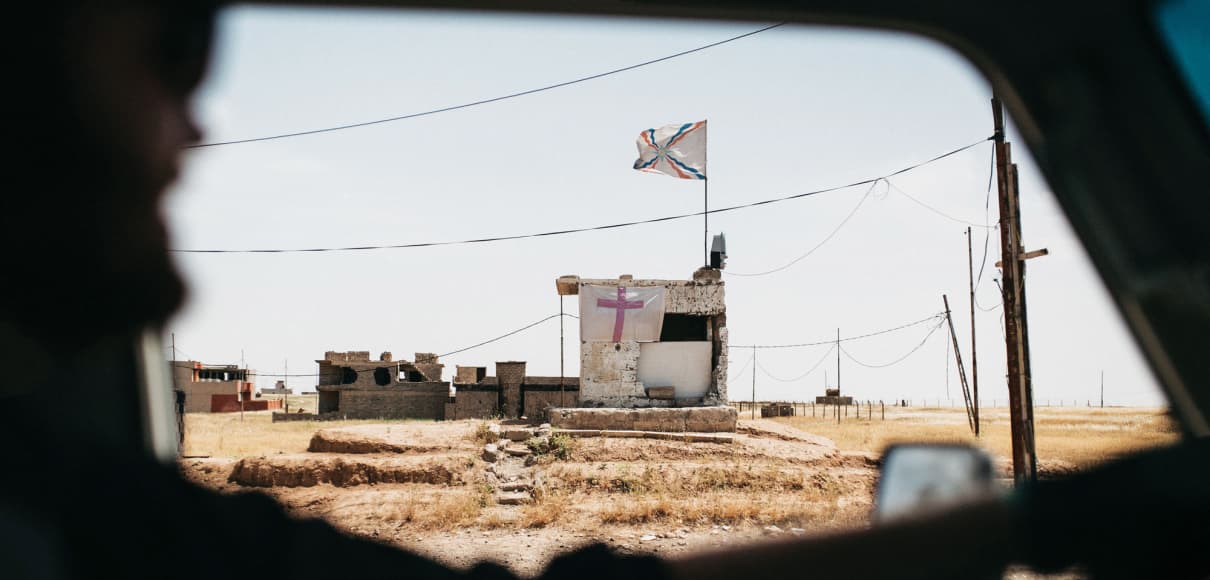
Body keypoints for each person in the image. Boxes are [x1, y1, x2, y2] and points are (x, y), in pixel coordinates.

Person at [1, 2, 1206, 579]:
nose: (191, 128)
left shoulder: (92, 515)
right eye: (171, 53)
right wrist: (1045, 524)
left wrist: (1039, 521)